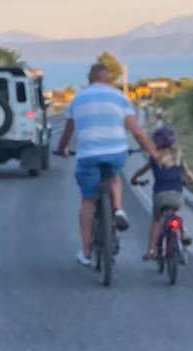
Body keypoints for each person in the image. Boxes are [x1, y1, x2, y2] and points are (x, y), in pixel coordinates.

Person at [55, 62, 157, 268]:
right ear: (109, 79)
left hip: (88, 155)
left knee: (88, 200)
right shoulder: (120, 97)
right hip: (115, 153)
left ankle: (86, 252)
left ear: (89, 79)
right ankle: (118, 209)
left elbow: (67, 132)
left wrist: (62, 149)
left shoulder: (77, 99)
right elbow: (137, 131)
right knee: (113, 177)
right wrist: (153, 153)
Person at [131, 125, 193, 260]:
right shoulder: (178, 156)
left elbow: (140, 171)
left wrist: (134, 179)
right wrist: (187, 182)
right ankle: (183, 232)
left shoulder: (155, 157)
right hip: (176, 194)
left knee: (156, 220)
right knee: (175, 212)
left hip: (160, 195)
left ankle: (151, 250)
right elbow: (190, 176)